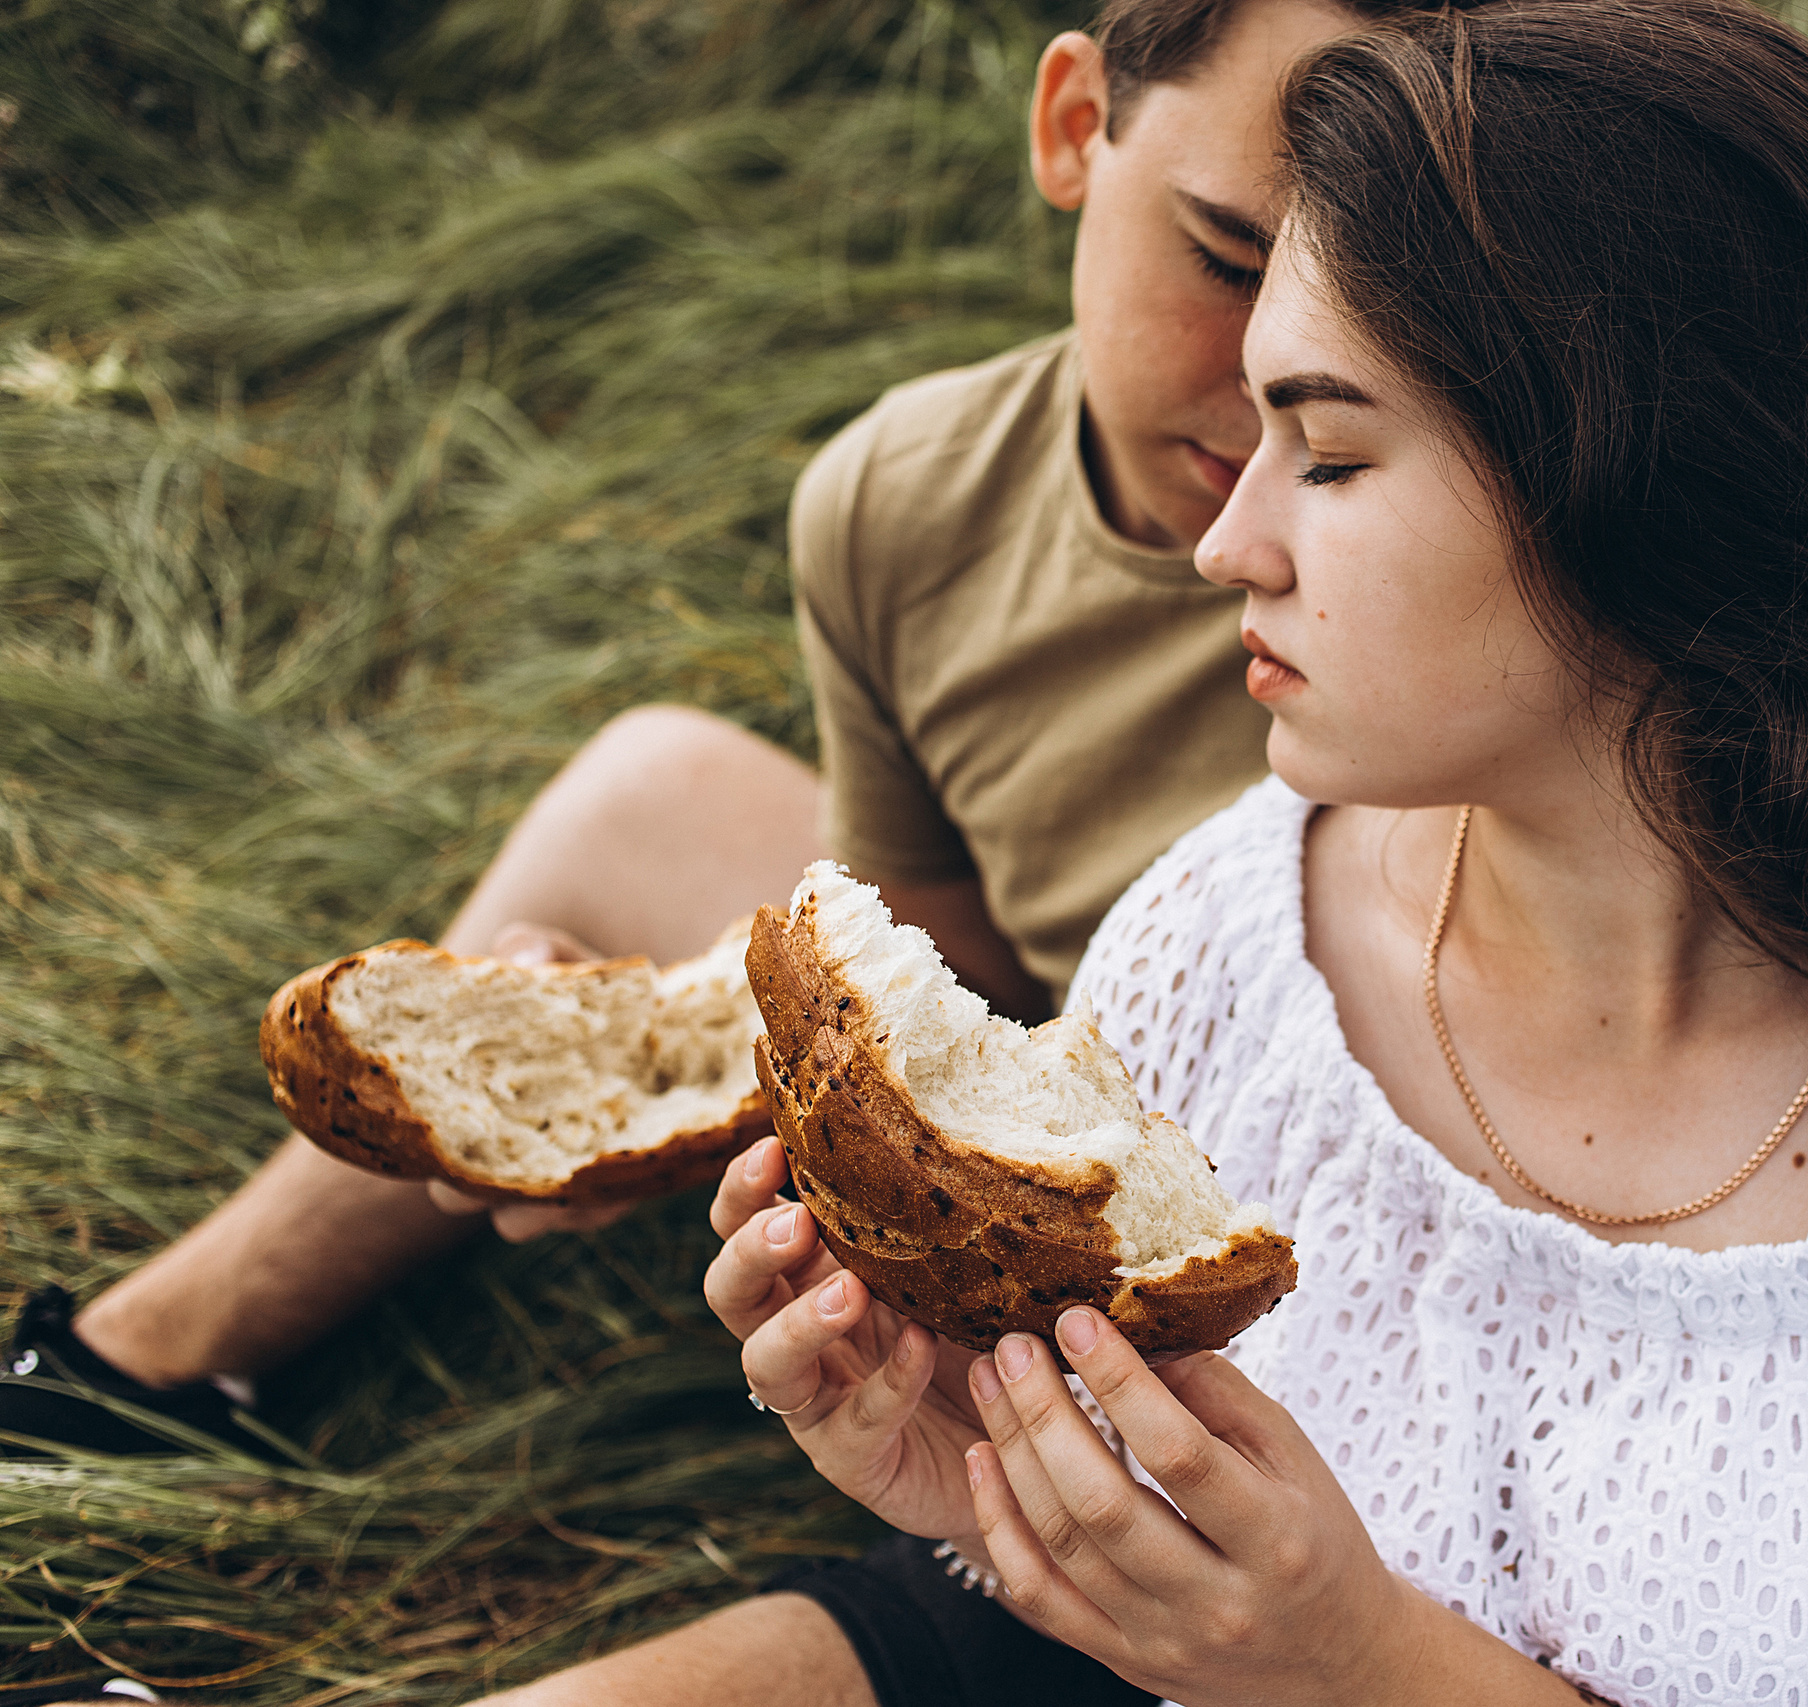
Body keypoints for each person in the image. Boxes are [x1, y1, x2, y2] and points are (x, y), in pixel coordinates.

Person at [701, 0, 1808, 1702]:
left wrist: (1368, 1677)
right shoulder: (1216, 952)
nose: (1226, 544)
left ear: (1633, 478)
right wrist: (994, 1486)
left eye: (1325, 454)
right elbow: (1164, 1648)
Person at [0, 0, 1390, 1460]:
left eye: (1371, 312)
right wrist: (643, 1086)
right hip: (1086, 1040)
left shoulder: (1453, 561)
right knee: (649, 790)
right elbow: (947, 943)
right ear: (1069, 127)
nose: (1273, 376)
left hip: (1308, 1164)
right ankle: (134, 1365)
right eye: (1230, 258)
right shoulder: (904, 498)